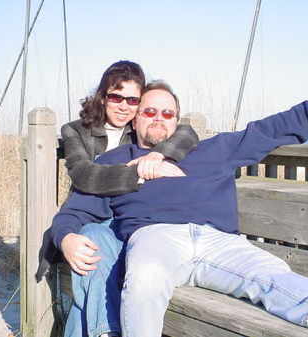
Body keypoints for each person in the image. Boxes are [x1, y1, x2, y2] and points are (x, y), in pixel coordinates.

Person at [50, 81, 308, 337]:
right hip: (156, 237)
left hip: (219, 242)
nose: (159, 119)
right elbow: (77, 208)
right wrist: (66, 237)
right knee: (144, 278)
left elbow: (264, 132)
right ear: (137, 117)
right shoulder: (115, 162)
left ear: (177, 119)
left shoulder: (211, 150)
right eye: (150, 112)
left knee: (269, 275)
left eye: (167, 113)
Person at [36, 61, 199, 337]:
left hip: (123, 219)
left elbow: (187, 132)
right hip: (88, 214)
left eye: (133, 100)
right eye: (116, 96)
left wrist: (157, 156)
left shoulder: (139, 128)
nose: (124, 106)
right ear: (103, 96)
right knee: (92, 240)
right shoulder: (76, 130)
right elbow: (84, 175)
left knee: (84, 294)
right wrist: (140, 173)